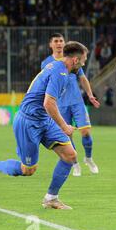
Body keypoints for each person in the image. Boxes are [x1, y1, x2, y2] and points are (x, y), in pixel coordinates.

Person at [0, 41, 91, 209]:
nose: (83, 64)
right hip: (28, 121)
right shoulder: (60, 73)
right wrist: (64, 126)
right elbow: (48, 103)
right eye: (83, 60)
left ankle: (51, 198)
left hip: (44, 120)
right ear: (75, 60)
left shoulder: (60, 68)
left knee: (70, 155)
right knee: (28, 169)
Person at [41, 33, 100, 177]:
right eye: (56, 41)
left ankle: (89, 158)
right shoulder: (47, 63)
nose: (59, 43)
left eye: (61, 40)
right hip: (60, 105)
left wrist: (90, 95)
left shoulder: (73, 61)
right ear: (51, 45)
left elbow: (82, 78)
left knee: (86, 131)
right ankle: (75, 164)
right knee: (67, 134)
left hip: (76, 102)